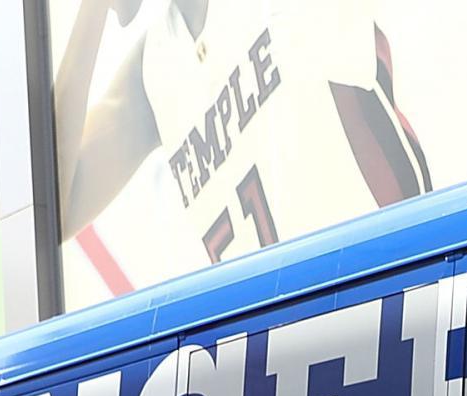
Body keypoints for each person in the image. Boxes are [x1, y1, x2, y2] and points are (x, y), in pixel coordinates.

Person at [52, 0, 435, 282]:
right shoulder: (155, 68)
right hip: (284, 356)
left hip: (392, 293)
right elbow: (53, 209)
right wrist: (93, 10)